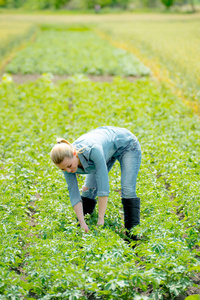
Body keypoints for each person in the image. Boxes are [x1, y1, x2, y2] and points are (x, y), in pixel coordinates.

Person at [50, 126, 142, 241]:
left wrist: (100, 219)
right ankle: (84, 228)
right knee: (88, 191)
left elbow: (103, 187)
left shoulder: (93, 150)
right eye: (63, 169)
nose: (68, 171)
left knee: (127, 189)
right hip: (105, 147)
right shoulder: (65, 162)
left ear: (74, 153)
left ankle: (132, 236)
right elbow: (73, 193)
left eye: (69, 166)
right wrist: (82, 222)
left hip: (127, 145)